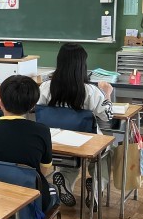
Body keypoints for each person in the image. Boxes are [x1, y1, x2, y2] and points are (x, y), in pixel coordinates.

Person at [38, 42, 113, 208]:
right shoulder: (90, 91)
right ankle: (95, 188)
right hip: (84, 142)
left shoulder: (46, 87)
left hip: (53, 141)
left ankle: (64, 180)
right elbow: (107, 116)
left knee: (71, 157)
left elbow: (35, 109)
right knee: (105, 152)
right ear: (82, 65)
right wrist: (107, 93)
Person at [0, 75, 56, 211]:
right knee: (53, 191)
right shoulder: (42, 131)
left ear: (0, 102)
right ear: (32, 106)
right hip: (30, 196)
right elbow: (43, 168)